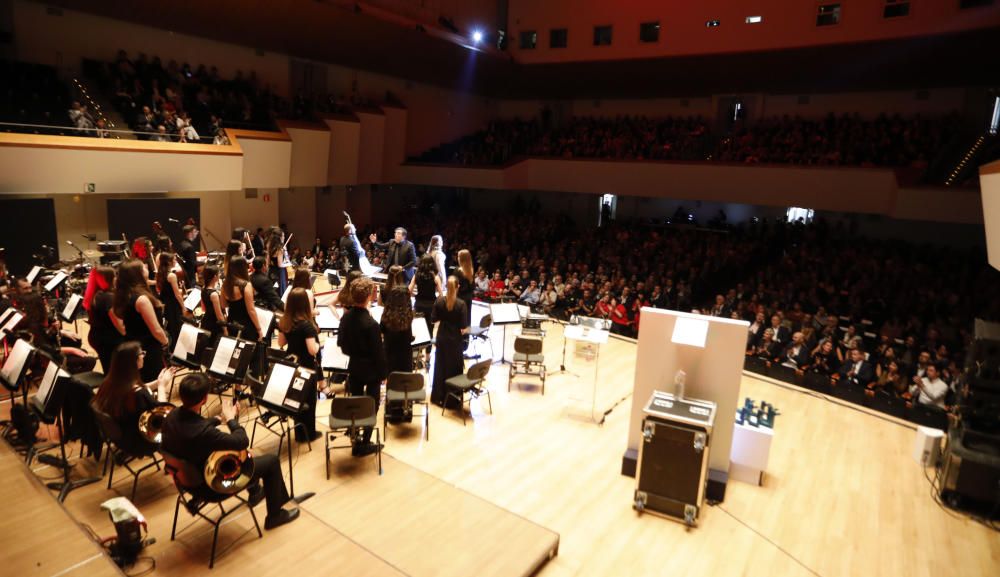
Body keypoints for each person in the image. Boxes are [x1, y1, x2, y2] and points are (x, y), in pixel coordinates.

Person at [161, 373, 311, 530]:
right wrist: (232, 419)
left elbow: (197, 425)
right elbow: (241, 442)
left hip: (186, 483)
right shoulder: (204, 433)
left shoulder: (171, 416)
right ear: (204, 399)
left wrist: (219, 419)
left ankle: (257, 493)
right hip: (210, 487)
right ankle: (275, 515)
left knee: (242, 458)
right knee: (271, 461)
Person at [92, 341, 175, 456]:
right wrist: (161, 386)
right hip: (139, 441)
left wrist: (158, 382)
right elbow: (161, 413)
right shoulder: (139, 395)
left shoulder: (110, 381)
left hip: (119, 435)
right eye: (142, 353)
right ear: (134, 361)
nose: (144, 356)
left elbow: (137, 388)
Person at [336, 277, 385, 456]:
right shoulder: (371, 325)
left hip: (354, 367)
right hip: (372, 371)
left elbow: (341, 344)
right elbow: (378, 353)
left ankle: (355, 433)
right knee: (372, 405)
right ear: (369, 297)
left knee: (355, 402)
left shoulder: (346, 318)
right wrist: (383, 373)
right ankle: (364, 442)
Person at [277, 288, 322, 442]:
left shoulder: (284, 321)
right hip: (307, 367)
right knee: (309, 401)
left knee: (297, 399)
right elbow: (311, 350)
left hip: (292, 365)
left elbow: (280, 342)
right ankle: (309, 434)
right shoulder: (307, 325)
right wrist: (318, 345)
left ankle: (298, 433)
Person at [114, 259, 169, 382]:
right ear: (137, 274)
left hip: (134, 345)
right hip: (148, 349)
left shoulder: (125, 294)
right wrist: (166, 342)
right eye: (143, 267)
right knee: (154, 382)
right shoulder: (141, 299)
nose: (146, 267)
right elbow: (156, 329)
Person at [430, 276, 469, 407]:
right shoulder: (461, 304)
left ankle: (438, 397)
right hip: (455, 340)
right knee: (454, 368)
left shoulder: (439, 301)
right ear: (458, 287)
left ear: (447, 286)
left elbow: (433, 319)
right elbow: (463, 327)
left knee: (440, 367)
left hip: (442, 338)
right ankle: (453, 400)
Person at [380, 285, 414, 422]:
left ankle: (392, 413)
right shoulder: (408, 316)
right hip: (405, 356)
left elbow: (381, 331)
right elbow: (409, 337)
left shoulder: (386, 316)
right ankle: (406, 412)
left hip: (390, 354)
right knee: (405, 383)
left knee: (392, 382)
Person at [85, 266, 125, 373]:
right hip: (108, 340)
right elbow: (121, 328)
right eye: (114, 276)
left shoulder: (96, 295)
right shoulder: (108, 298)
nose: (116, 278)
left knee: (108, 369)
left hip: (97, 336)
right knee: (115, 372)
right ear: (108, 279)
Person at [222, 257, 264, 344]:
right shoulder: (246, 285)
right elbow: (251, 310)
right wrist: (259, 329)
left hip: (232, 323)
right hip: (246, 326)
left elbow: (223, 305)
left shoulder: (225, 284)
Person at [156, 252, 190, 348]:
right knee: (176, 327)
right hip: (173, 305)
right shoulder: (171, 275)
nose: (175, 261)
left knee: (170, 327)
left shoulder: (160, 273)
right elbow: (177, 294)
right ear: (169, 262)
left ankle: (171, 349)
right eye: (174, 259)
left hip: (166, 304)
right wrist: (183, 307)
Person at [409, 255, 441, 335]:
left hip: (419, 304)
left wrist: (414, 295)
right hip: (431, 306)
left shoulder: (416, 276)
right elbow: (441, 295)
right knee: (430, 330)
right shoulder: (435, 277)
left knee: (419, 328)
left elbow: (409, 290)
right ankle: (428, 347)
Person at [200, 265, 226, 341]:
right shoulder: (213, 294)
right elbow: (219, 315)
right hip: (214, 325)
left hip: (206, 321)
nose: (220, 275)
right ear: (215, 277)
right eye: (219, 274)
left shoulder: (203, 288)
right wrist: (225, 330)